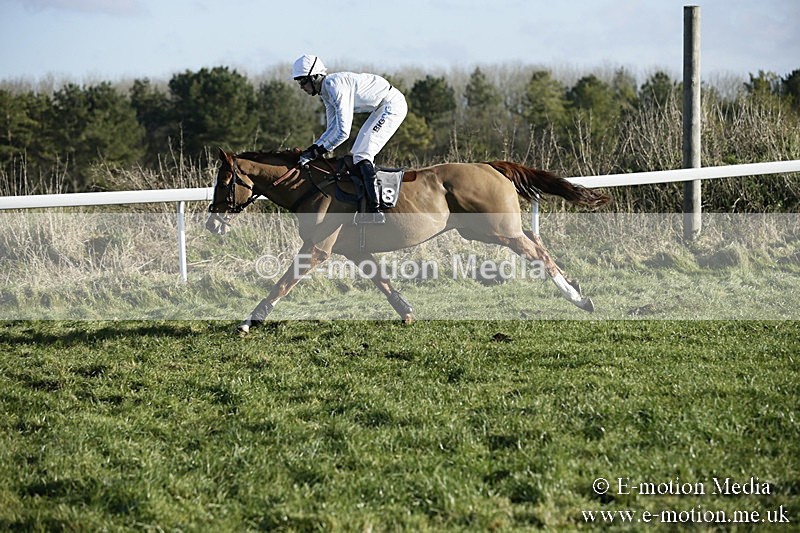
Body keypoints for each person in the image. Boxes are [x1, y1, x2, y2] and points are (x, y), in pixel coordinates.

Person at [291, 54, 407, 224]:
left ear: (315, 77)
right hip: (381, 107)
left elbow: (343, 132)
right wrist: (313, 148)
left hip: (392, 105)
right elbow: (332, 129)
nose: (301, 87)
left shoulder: (334, 86)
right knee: (356, 155)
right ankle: (365, 205)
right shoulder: (326, 92)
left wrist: (318, 151)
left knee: (362, 155)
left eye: (303, 81)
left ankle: (375, 211)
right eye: (299, 82)